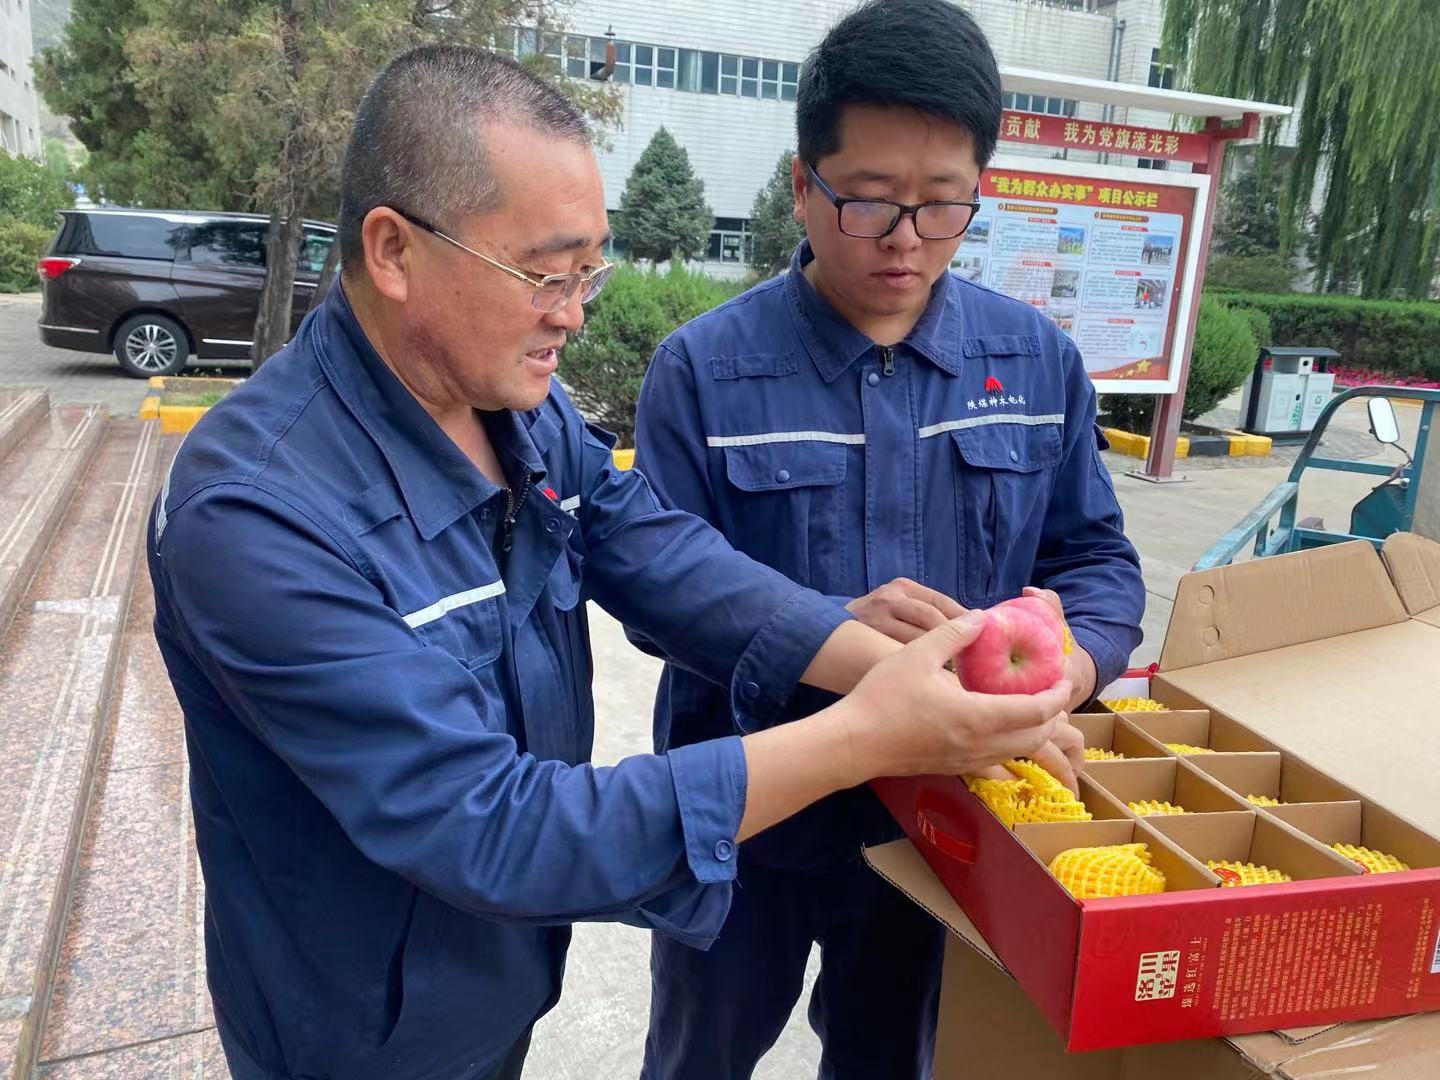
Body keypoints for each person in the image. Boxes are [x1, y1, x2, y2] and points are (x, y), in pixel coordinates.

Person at [147, 44, 1078, 1080]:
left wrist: (913, 673)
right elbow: (491, 827)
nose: (575, 312)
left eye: (591, 268)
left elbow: (664, 556)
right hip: (359, 1026)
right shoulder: (259, 516)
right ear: (394, 250)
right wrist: (866, 735)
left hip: (498, 973)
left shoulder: (519, 414)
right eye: (546, 274)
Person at [631, 2, 1146, 1077]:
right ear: (801, 186)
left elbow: (1096, 560)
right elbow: (661, 590)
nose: (906, 239)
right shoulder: (705, 370)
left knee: (891, 1060)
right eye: (868, 201)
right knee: (698, 1056)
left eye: (942, 204)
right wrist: (830, 629)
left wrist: (1070, 670)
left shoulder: (1034, 362)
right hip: (752, 815)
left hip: (949, 821)